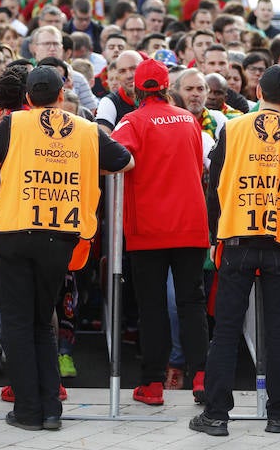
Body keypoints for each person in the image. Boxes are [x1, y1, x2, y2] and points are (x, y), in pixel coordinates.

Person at [0, 66, 133, 431]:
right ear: (62, 95)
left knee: (18, 322)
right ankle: (50, 410)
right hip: (60, 235)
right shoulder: (86, 128)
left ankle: (30, 410)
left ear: (27, 98)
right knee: (44, 322)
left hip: (14, 230)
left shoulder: (13, 123)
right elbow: (126, 160)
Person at [190, 65, 280, 437]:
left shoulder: (232, 128)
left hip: (236, 240)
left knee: (227, 330)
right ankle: (279, 414)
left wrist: (216, 231)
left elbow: (214, 185)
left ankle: (216, 415)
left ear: (257, 89)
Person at [111, 59, 209, 407]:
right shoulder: (190, 120)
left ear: (137, 90)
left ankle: (152, 384)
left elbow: (114, 156)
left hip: (149, 227)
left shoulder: (131, 121)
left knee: (152, 307)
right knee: (192, 303)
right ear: (168, 87)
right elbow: (198, 166)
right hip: (191, 224)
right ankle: (201, 377)